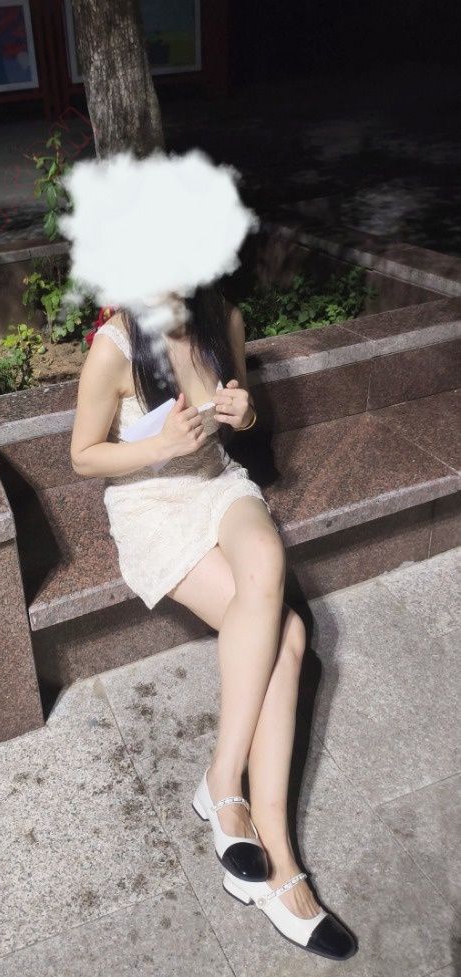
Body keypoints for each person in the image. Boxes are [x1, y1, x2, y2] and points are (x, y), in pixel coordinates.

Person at [70, 285, 357, 961]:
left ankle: (224, 782)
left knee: (268, 558)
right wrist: (158, 445)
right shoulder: (116, 346)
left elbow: (241, 416)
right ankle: (277, 858)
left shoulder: (222, 317)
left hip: (219, 483)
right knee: (289, 637)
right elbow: (83, 455)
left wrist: (244, 410)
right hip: (152, 502)